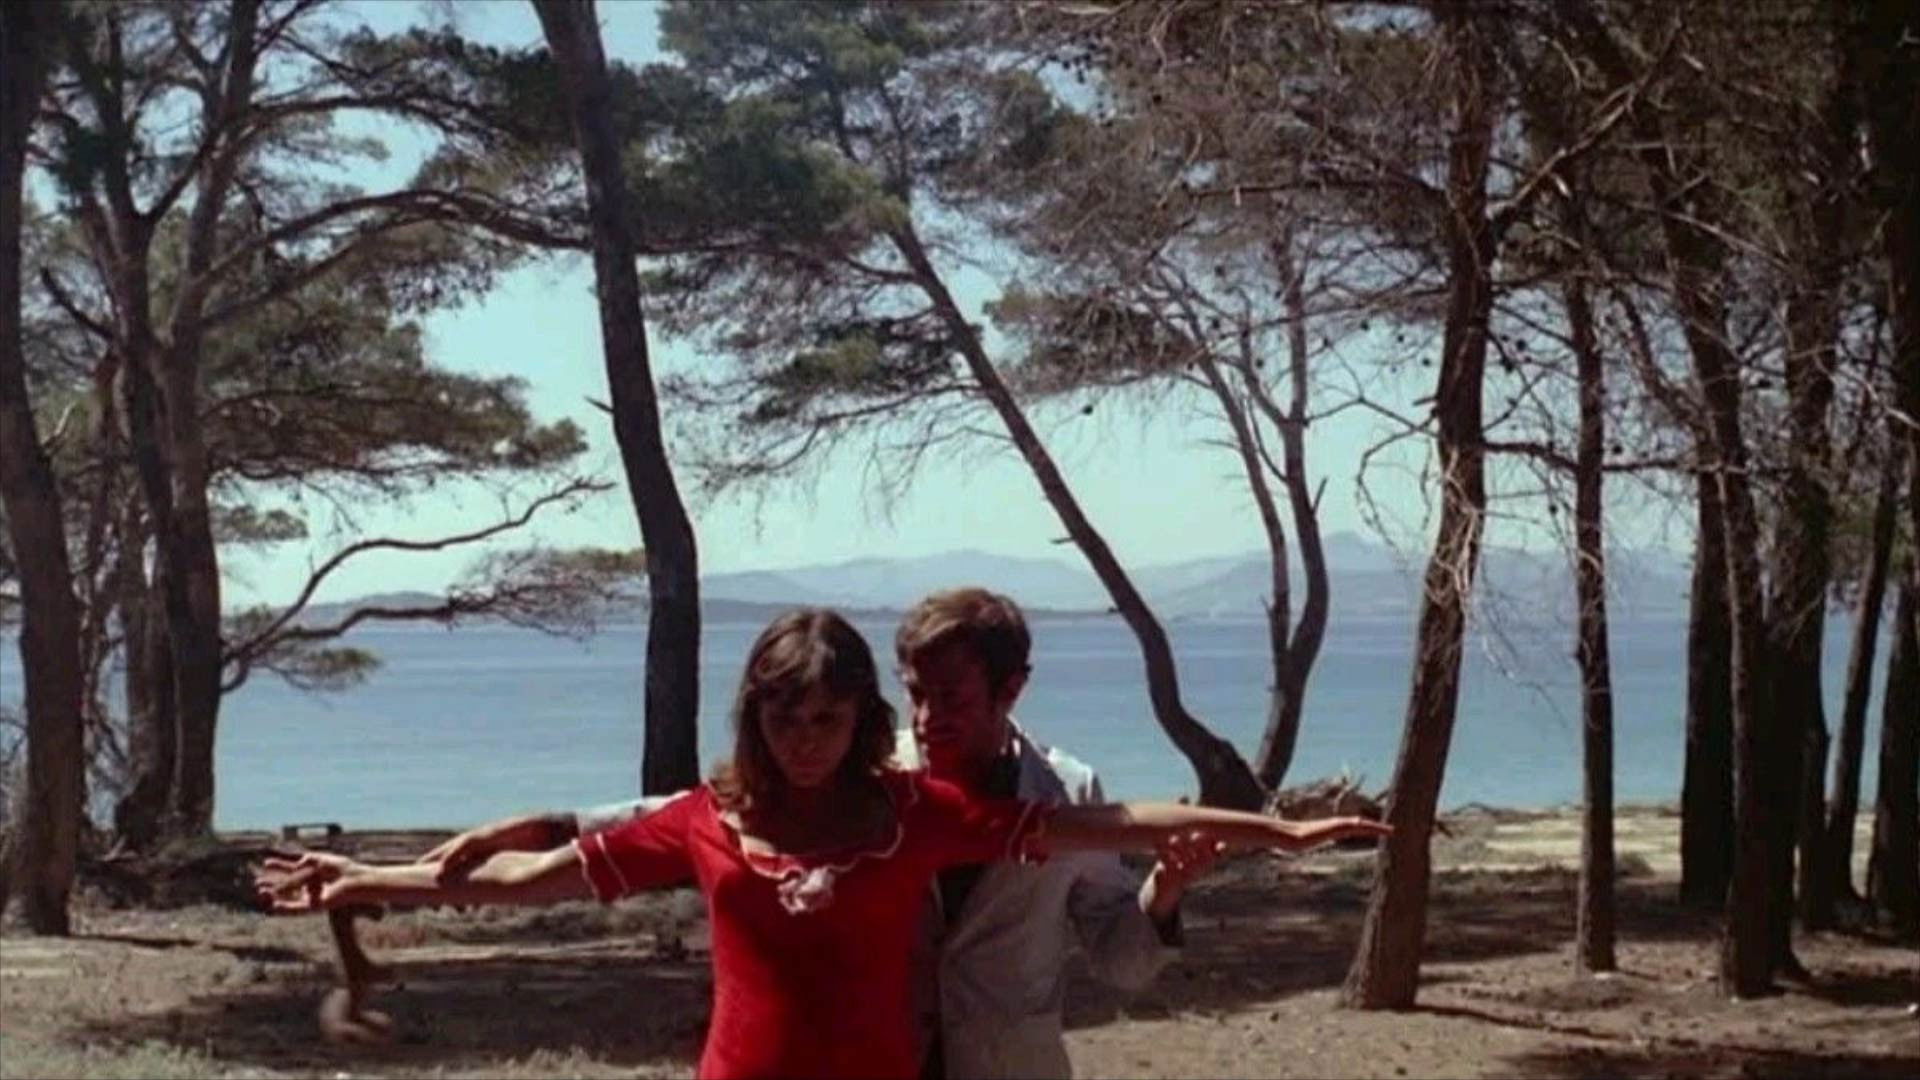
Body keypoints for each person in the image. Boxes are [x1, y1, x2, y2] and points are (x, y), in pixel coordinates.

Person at [258, 608, 1388, 1080]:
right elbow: (533, 880)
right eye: (783, 718)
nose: (804, 740)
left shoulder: (914, 816)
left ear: (859, 722)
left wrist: (1277, 829)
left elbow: (1120, 822)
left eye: (828, 717)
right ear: (755, 718)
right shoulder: (710, 819)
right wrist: (371, 877)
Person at [422, 588, 1225, 1078]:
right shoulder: (865, 773)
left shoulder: (1070, 792)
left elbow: (1122, 963)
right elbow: (702, 811)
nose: (926, 718)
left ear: (1011, 689)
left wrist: (1166, 890)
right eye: (914, 693)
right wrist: (543, 827)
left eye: (950, 697)